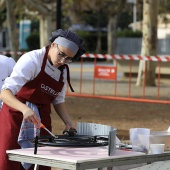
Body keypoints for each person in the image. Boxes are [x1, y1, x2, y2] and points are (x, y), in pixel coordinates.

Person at [0, 29, 85, 170]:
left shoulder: (62, 71)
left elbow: (58, 100)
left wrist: (68, 122)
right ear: (53, 45)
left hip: (41, 117)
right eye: (61, 55)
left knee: (43, 161)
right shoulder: (32, 60)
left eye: (69, 59)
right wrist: (24, 109)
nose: (63, 61)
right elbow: (5, 93)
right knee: (9, 158)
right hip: (15, 114)